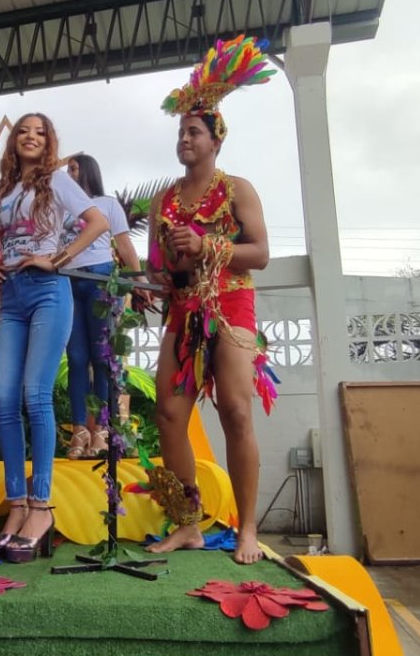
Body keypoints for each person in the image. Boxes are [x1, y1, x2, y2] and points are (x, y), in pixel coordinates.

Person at [144, 36, 277, 563]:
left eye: (194, 131)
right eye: (180, 132)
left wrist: (207, 245)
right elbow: (163, 270)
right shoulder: (163, 201)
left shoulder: (239, 188)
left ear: (215, 139)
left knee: (236, 412)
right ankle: (188, 523)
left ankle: (247, 528)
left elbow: (261, 253)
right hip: (183, 310)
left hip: (231, 304)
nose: (184, 139)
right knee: (169, 412)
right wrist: (166, 267)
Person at [0, 113, 109, 563]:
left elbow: (96, 222)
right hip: (10, 296)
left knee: (35, 395)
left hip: (49, 293)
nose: (31, 137)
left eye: (40, 132)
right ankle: (16, 505)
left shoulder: (56, 180)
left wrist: (60, 257)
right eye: (23, 131)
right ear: (13, 142)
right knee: (4, 401)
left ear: (49, 142)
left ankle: (42, 506)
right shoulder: (5, 191)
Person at [62, 153, 151, 459]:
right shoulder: (60, 206)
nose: (68, 174)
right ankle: (79, 431)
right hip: (68, 284)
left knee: (102, 359)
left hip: (100, 280)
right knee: (76, 357)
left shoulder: (107, 204)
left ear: (87, 171)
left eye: (72, 168)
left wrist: (138, 278)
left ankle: (101, 431)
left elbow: (124, 245)